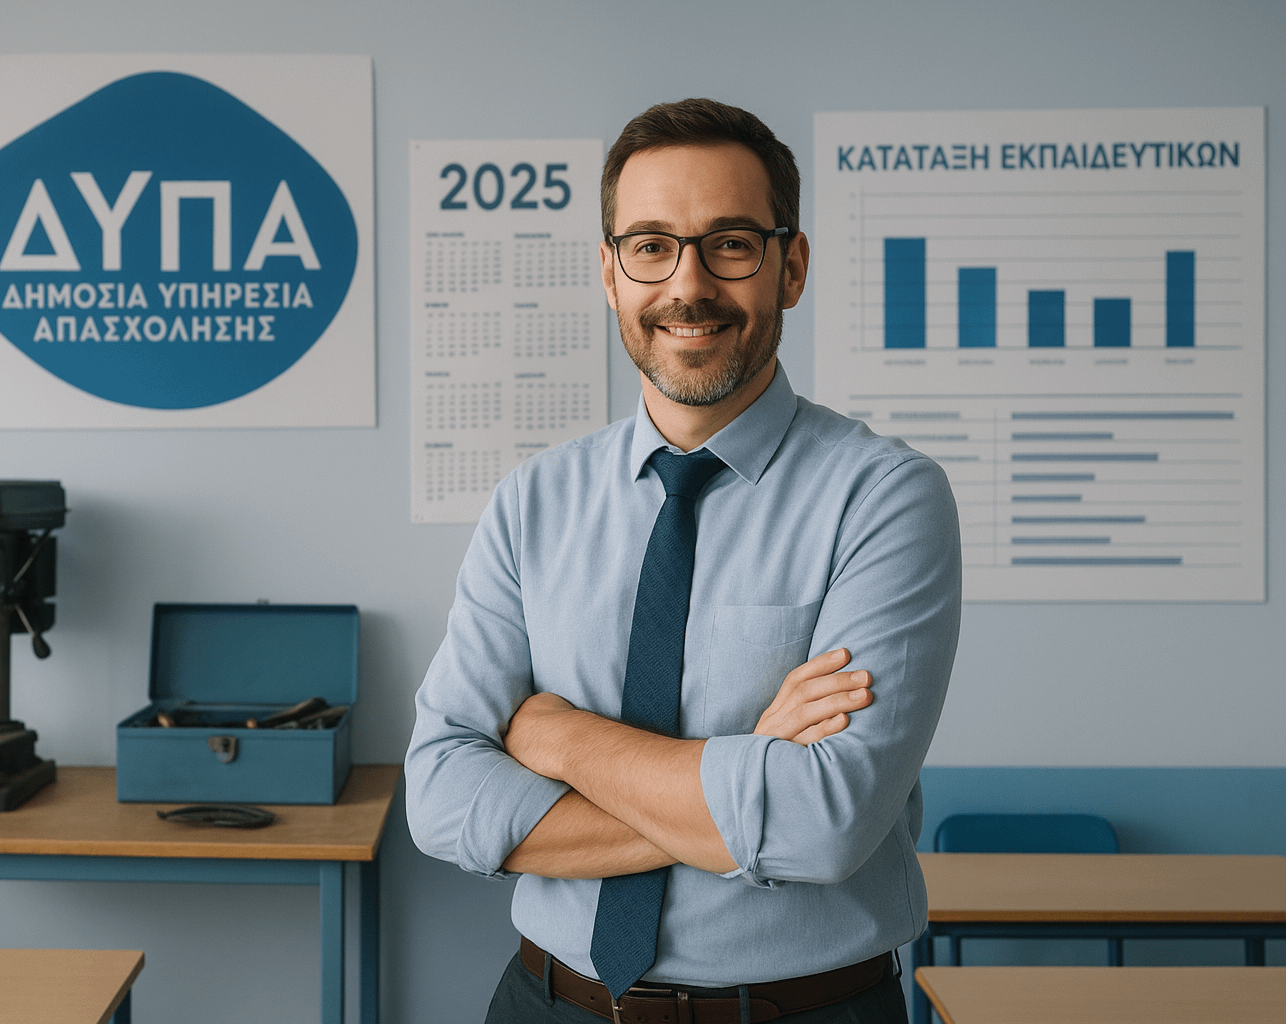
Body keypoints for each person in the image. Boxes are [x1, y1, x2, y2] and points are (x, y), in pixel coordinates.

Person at [405, 98, 961, 1024]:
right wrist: (742, 777)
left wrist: (556, 738)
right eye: (652, 246)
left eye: (732, 243)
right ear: (612, 275)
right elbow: (442, 797)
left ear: (794, 266)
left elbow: (820, 826)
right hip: (549, 1003)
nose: (687, 284)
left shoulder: (887, 498)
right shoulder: (532, 504)